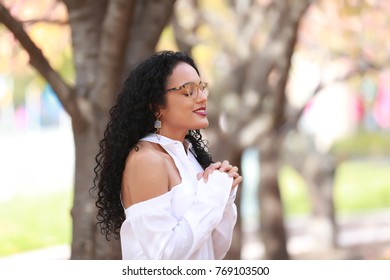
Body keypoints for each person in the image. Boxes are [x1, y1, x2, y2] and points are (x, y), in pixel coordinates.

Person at [93, 50, 242, 260]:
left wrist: (223, 196)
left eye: (201, 88)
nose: (202, 97)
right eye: (189, 91)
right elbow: (163, 258)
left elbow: (213, 251)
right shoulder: (147, 159)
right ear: (157, 106)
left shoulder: (189, 155)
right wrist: (211, 197)